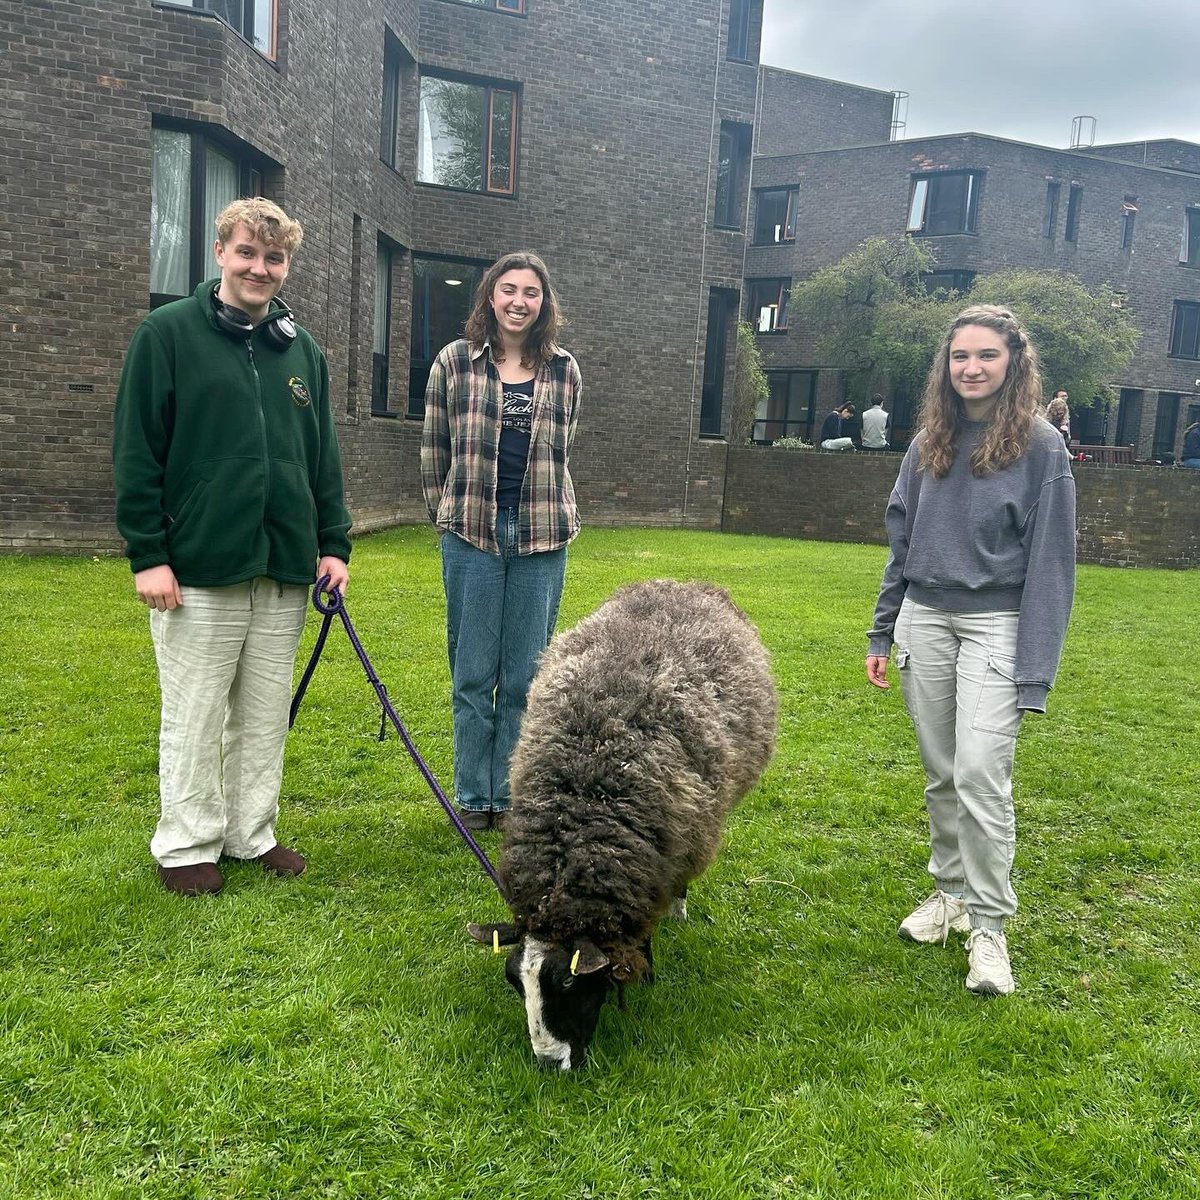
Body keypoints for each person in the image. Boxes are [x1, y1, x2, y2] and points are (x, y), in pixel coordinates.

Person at [113, 197, 351, 897]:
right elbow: (137, 452)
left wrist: (331, 542)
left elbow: (323, 458)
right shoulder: (167, 335)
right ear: (220, 253)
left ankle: (252, 834)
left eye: (274, 258)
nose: (260, 267)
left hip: (282, 565)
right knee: (195, 712)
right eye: (247, 252)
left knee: (263, 712)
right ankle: (186, 845)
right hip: (198, 567)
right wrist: (148, 553)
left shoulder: (300, 349)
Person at [865, 304, 1076, 996]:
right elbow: (902, 542)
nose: (972, 368)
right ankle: (949, 896)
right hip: (924, 622)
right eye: (960, 357)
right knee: (941, 773)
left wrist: (1035, 672)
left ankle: (989, 928)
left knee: (982, 776)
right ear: (946, 366)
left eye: (986, 355)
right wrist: (882, 628)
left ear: (1013, 362)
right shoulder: (930, 438)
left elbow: (1052, 567)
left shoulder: (1043, 448)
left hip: (997, 629)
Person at [421, 251, 582, 832]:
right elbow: (433, 449)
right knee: (472, 674)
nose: (519, 301)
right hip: (471, 536)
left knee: (525, 677)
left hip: (541, 535)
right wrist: (447, 516)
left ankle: (512, 797)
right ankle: (474, 796)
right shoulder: (454, 363)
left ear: (544, 303)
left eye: (531, 292)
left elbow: (562, 452)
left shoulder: (563, 370)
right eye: (508, 289)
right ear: (491, 296)